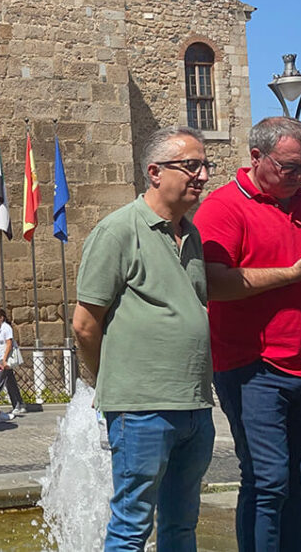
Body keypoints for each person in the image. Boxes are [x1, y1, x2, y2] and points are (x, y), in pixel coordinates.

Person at [194, 116, 301, 551]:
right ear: (256, 157)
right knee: (267, 481)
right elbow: (213, 283)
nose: (299, 175)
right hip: (252, 366)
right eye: (288, 166)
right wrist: (291, 274)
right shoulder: (224, 206)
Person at [73, 126, 216, 551]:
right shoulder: (118, 231)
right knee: (131, 528)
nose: (204, 175)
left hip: (194, 406)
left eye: (205, 165)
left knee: (182, 525)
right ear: (155, 172)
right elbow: (85, 324)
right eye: (191, 166)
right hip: (140, 409)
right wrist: (111, 381)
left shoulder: (191, 234)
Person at [0, 308, 27, 415]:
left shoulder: (6, 328)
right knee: (10, 382)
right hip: (0, 357)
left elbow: (9, 344)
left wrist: (4, 360)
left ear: (2, 318)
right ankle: (19, 404)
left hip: (5, 358)